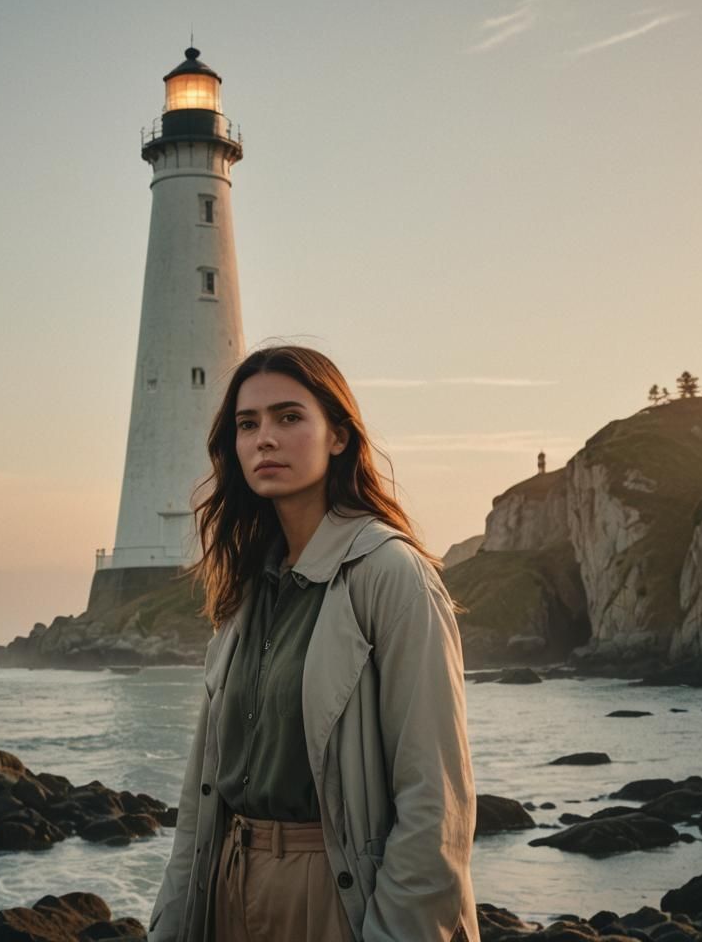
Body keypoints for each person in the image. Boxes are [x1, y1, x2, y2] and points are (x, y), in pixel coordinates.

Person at [147, 345, 479, 942]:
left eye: (289, 417)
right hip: (226, 882)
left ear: (338, 437)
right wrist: (172, 923)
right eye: (247, 424)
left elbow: (436, 799)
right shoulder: (247, 586)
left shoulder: (389, 573)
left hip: (333, 891)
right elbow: (201, 793)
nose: (265, 439)